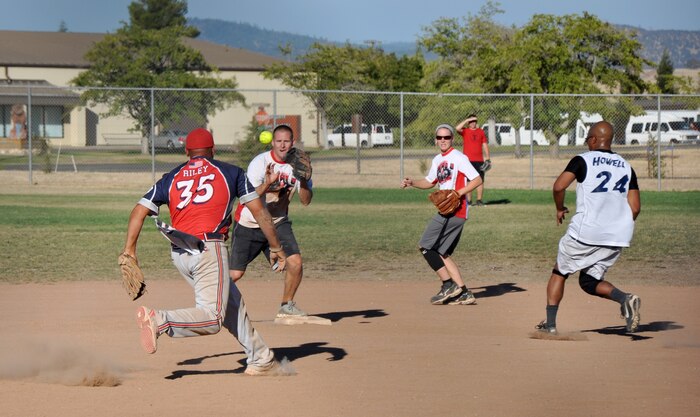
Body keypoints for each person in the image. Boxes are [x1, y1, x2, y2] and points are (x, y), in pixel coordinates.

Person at [122, 128, 287, 376]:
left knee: (232, 304)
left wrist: (129, 252)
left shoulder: (172, 176)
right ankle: (160, 320)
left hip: (180, 252)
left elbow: (138, 210)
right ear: (213, 150)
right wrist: (275, 246)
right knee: (213, 318)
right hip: (209, 249)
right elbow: (260, 212)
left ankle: (261, 358)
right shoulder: (231, 172)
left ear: (187, 152)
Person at [535, 121, 642, 335]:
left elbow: (558, 186)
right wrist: (617, 224)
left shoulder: (583, 159)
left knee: (560, 271)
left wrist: (559, 208)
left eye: (587, 139)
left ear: (593, 139)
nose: (587, 143)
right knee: (589, 281)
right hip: (617, 236)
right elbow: (635, 208)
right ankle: (625, 299)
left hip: (587, 232)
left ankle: (550, 325)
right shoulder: (626, 166)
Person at [230, 124, 313, 320]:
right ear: (273, 142)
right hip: (249, 222)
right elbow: (246, 197)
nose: (283, 146)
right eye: (279, 141)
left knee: (295, 263)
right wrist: (267, 184)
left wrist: (303, 181)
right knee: (235, 274)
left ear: (292, 142)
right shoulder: (260, 162)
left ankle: (287, 306)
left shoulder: (299, 164)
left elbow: (306, 201)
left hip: (278, 222)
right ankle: (212, 305)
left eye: (286, 141)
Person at [401, 124, 483, 305]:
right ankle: (464, 292)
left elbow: (477, 179)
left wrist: (458, 193)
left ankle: (448, 284)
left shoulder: (459, 158)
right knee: (442, 253)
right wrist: (413, 182)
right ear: (435, 140)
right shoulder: (438, 159)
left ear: (452, 139)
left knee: (425, 246)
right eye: (440, 137)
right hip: (446, 211)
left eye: (446, 137)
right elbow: (430, 182)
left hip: (456, 211)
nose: (443, 140)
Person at [456, 114, 490, 206]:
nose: (473, 123)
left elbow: (484, 144)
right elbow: (457, 128)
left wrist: (488, 158)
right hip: (467, 160)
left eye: (474, 121)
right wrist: (467, 119)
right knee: (469, 181)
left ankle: (479, 200)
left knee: (480, 180)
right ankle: (468, 201)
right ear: (468, 123)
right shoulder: (465, 131)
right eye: (471, 122)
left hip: (479, 160)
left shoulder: (481, 132)